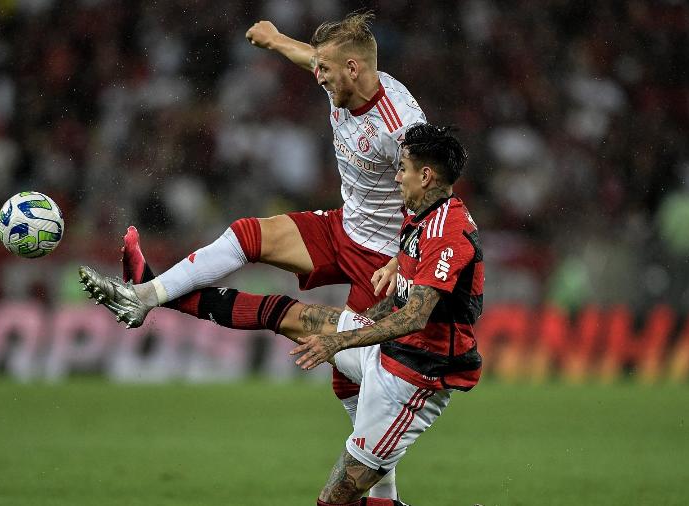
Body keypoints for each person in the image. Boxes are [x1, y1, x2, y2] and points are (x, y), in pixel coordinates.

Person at [81, 123, 483, 505]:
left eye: (403, 170)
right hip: (389, 351)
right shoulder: (419, 215)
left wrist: (338, 339)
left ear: (426, 176)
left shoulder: (448, 234)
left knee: (335, 498)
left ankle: (149, 295)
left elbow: (415, 315)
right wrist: (358, 317)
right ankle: (151, 293)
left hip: (416, 378)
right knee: (287, 315)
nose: (396, 178)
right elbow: (401, 300)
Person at [118, 11, 427, 499]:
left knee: (356, 384)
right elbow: (309, 56)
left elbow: (432, 195)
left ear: (354, 68)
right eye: (318, 67)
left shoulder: (402, 125)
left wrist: (403, 257)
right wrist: (276, 39)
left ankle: (382, 496)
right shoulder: (339, 79)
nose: (317, 75)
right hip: (343, 228)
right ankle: (147, 293)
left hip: (385, 260)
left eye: (326, 68)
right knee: (248, 235)